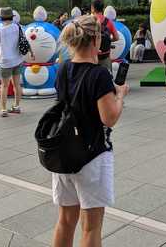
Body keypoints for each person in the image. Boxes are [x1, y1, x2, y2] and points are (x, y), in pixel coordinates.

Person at [51, 15, 129, 247]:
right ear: (96, 39)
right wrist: (121, 95)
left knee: (65, 221)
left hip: (63, 154)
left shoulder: (63, 69)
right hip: (92, 155)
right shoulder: (99, 75)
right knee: (91, 227)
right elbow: (109, 118)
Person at [0, 7, 26, 117]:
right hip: (17, 59)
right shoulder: (18, 27)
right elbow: (23, 40)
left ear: (1, 18)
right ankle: (16, 106)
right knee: (17, 84)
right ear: (12, 17)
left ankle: (3, 109)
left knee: (4, 86)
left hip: (5, 61)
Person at [90, 0, 119, 73]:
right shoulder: (108, 22)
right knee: (106, 79)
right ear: (102, 9)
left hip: (91, 56)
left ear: (92, 8)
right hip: (105, 56)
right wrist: (109, 39)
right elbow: (116, 37)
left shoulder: (89, 21)